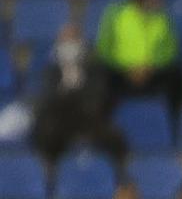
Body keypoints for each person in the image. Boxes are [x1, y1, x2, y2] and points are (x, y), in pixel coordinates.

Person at [31, 22, 127, 172]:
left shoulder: (94, 66)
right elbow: (47, 96)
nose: (69, 43)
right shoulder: (51, 70)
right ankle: (49, 174)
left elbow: (98, 93)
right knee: (45, 130)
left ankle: (119, 177)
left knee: (112, 136)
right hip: (59, 116)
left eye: (73, 38)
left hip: (87, 115)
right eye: (65, 39)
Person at [96, 0, 182, 124]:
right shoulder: (116, 14)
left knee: (178, 75)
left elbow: (172, 51)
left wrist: (151, 66)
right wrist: (128, 69)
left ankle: (176, 127)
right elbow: (104, 49)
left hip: (152, 72)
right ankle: (103, 127)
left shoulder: (164, 18)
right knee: (100, 76)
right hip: (123, 73)